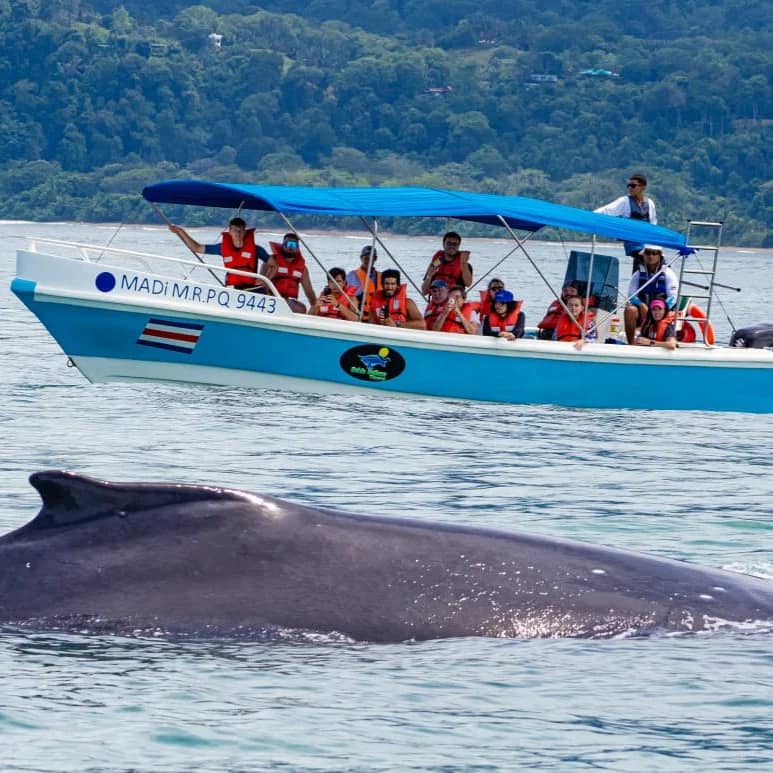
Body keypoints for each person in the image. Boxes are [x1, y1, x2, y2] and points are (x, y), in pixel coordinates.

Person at [169, 217, 270, 290]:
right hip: (233, 288)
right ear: (230, 231)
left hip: (253, 289)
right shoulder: (221, 248)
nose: (238, 234)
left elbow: (274, 264)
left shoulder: (256, 249)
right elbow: (197, 248)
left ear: (245, 232)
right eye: (235, 230)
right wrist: (180, 231)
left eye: (241, 231)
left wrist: (265, 280)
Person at [594, 173, 658, 271]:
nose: (630, 188)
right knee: (644, 261)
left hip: (646, 243)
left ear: (642, 187)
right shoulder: (624, 201)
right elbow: (607, 210)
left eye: (633, 186)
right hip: (633, 244)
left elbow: (653, 223)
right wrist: (589, 216)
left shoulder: (650, 203)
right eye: (629, 186)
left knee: (651, 266)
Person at [624, 244, 679, 345]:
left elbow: (673, 297)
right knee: (630, 310)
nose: (651, 256)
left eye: (654, 253)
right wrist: (641, 305)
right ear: (644, 255)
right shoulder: (638, 274)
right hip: (644, 311)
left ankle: (655, 339)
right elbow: (631, 294)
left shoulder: (668, 273)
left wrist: (658, 309)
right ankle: (631, 344)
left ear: (659, 256)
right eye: (648, 253)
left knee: (656, 311)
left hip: (661, 311)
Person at [261, 232, 316, 313]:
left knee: (301, 308)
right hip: (270, 298)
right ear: (283, 245)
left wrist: (315, 306)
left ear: (298, 248)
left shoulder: (302, 269)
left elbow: (309, 292)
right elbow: (260, 283)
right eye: (288, 244)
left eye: (294, 245)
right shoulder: (271, 261)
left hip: (289, 301)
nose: (290, 247)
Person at [346, 245, 381, 321]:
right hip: (359, 316)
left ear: (375, 259)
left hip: (377, 318)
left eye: (372, 258)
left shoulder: (381, 277)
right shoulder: (352, 275)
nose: (368, 260)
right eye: (366, 257)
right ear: (361, 258)